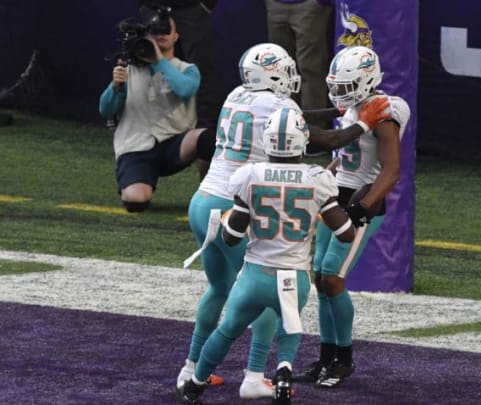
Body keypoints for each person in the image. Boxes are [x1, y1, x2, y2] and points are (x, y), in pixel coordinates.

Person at [176, 42, 391, 401]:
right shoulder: (281, 107)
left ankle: (190, 369)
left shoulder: (237, 95)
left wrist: (343, 110)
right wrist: (364, 120)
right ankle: (255, 374)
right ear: (273, 73)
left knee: (218, 288)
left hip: (203, 201)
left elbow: (297, 117)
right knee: (265, 285)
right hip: (236, 200)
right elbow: (328, 139)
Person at [176, 107, 356, 405]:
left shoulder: (250, 175)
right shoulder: (317, 178)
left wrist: (228, 222)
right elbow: (346, 234)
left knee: (227, 330)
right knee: (290, 326)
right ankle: (283, 370)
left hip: (255, 275)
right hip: (293, 275)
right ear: (303, 141)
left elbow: (231, 237)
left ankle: (195, 384)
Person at [299, 45, 411, 388]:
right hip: (335, 194)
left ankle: (344, 359)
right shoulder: (358, 108)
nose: (340, 94)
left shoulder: (383, 113)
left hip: (362, 200)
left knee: (333, 279)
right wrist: (324, 179)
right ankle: (325, 356)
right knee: (320, 280)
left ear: (368, 80)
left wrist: (362, 209)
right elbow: (345, 154)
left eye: (347, 86)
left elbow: (391, 172)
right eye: (338, 86)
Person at [99, 14, 215, 213]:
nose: (161, 35)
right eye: (155, 31)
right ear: (147, 35)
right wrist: (116, 86)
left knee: (206, 138)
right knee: (136, 202)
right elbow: (105, 110)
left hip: (174, 144)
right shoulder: (129, 69)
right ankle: (136, 180)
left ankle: (209, 193)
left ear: (175, 37)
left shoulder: (187, 69)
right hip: (136, 146)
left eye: (165, 30)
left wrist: (158, 60)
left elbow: (185, 90)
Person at [138, 0, 223, 128]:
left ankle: (205, 131)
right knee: (152, 64)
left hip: (191, 9)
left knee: (201, 70)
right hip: (153, 7)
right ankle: (157, 127)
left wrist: (207, 4)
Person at [264, 0, 334, 132]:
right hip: (276, 5)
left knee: (310, 69)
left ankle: (314, 133)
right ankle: (284, 126)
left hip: (309, 5)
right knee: (279, 70)